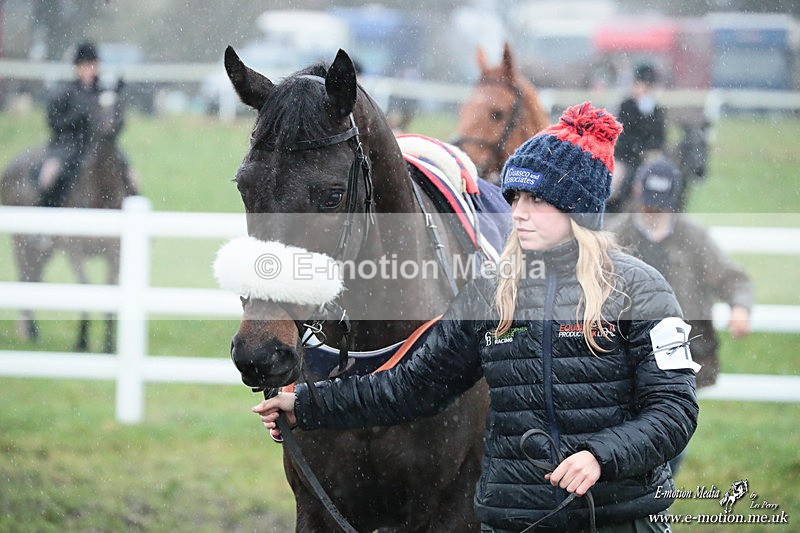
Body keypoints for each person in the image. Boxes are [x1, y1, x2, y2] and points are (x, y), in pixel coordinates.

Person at [253, 103, 699, 532]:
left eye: (537, 200)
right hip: (514, 521)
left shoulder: (641, 290)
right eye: (515, 196)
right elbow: (414, 386)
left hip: (616, 519)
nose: (517, 213)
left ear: (577, 209)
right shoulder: (491, 291)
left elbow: (675, 410)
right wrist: (309, 405)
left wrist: (601, 456)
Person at [609, 156, 753, 474]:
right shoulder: (615, 236)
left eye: (662, 204)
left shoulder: (694, 236)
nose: (654, 211)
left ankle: (659, 490)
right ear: (636, 191)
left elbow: (731, 277)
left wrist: (740, 306)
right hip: (625, 352)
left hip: (682, 354)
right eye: (649, 202)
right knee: (629, 430)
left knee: (673, 432)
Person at [39, 41, 137, 207]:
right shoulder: (65, 92)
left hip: (100, 145)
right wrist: (81, 116)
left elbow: (115, 123)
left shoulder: (104, 92)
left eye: (93, 65)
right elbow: (54, 122)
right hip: (68, 145)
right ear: (77, 67)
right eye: (85, 65)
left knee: (132, 177)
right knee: (50, 175)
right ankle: (43, 221)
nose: (90, 70)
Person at [609, 63, 667, 213]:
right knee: (614, 182)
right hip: (626, 156)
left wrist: (653, 150)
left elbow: (659, 136)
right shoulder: (626, 106)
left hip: (649, 158)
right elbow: (623, 135)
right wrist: (638, 150)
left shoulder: (656, 109)